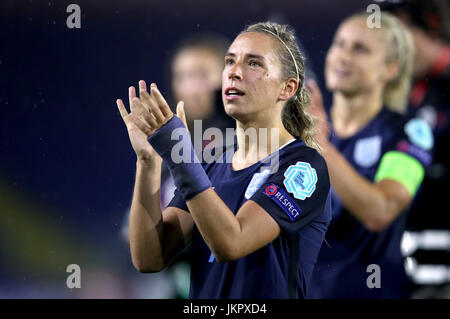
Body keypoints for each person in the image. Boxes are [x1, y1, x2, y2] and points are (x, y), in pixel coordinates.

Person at [117, 21, 332, 298]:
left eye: (254, 64)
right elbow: (149, 259)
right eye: (230, 61)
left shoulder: (303, 166)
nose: (234, 72)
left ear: (287, 88)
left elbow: (231, 243)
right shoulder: (209, 164)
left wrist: (180, 157)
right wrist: (147, 162)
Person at [306, 12, 433, 298]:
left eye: (359, 49)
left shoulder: (410, 132)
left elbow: (381, 211)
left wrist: (319, 144)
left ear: (390, 69)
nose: (343, 56)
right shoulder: (301, 132)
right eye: (340, 44)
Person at [380, 0, 450, 297]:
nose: (392, 50)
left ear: (429, 27)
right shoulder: (403, 91)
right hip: (418, 266)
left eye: (399, 36)